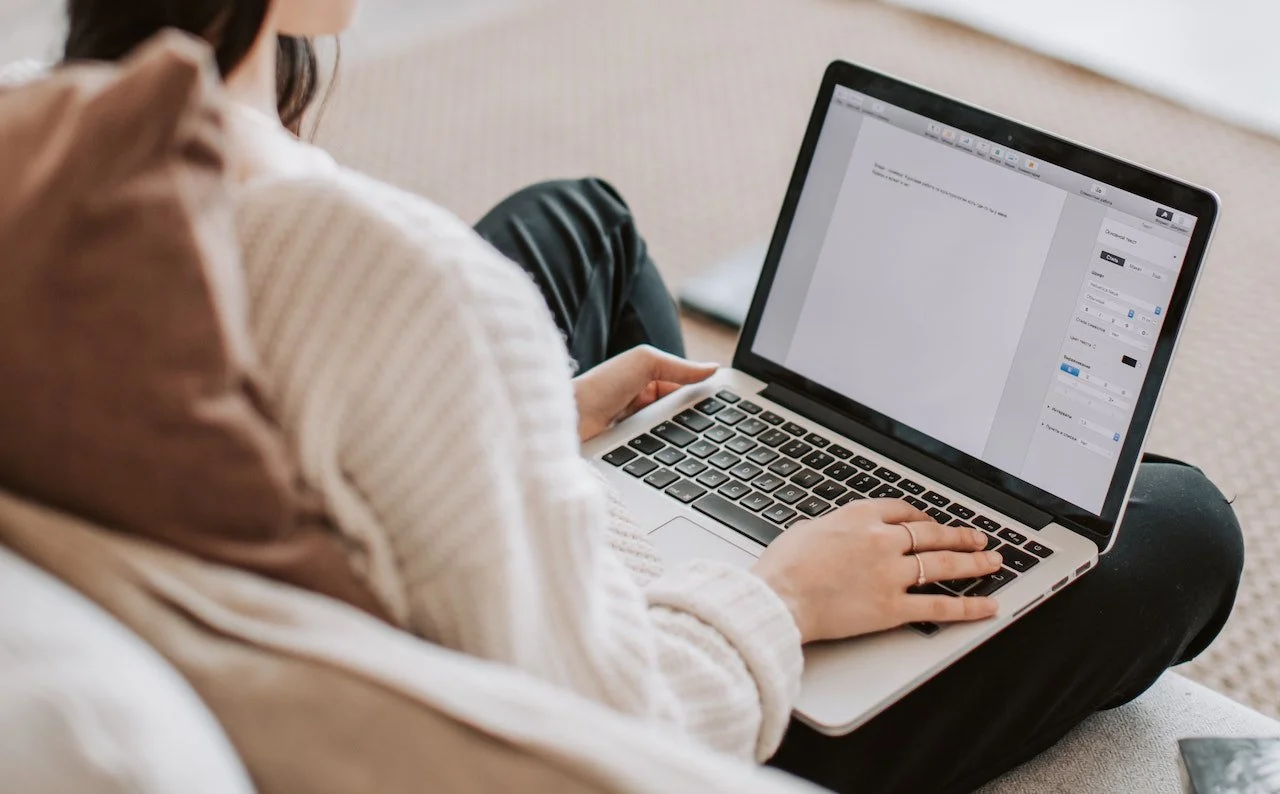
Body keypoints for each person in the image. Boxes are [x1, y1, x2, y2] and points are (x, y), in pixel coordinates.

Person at [61, 1, 1244, 791]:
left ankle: (708, 471)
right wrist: (779, 592)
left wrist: (516, 426)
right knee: (1178, 524)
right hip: (646, 685)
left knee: (586, 222)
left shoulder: (41, 139)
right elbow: (598, 717)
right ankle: (757, 534)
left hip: (377, 536)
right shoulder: (388, 275)